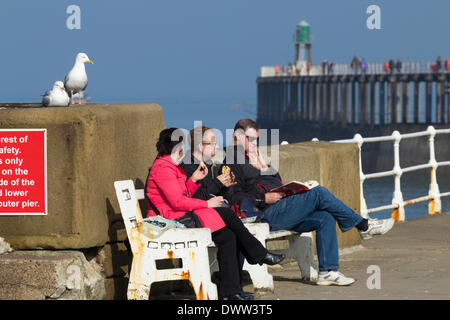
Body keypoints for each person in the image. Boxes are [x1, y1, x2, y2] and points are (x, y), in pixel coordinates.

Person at [221, 119, 395, 286]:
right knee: (319, 193)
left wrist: (264, 168)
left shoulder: (256, 157)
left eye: (256, 140)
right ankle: (363, 225)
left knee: (325, 217)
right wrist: (263, 198)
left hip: (283, 206)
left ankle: (327, 272)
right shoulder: (231, 160)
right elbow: (234, 196)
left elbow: (277, 182)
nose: (254, 143)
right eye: (250, 139)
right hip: (266, 214)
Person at [145, 128, 284, 299]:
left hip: (179, 215)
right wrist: (206, 203)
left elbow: (182, 194)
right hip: (170, 220)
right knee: (225, 214)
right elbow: (177, 202)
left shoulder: (169, 166)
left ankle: (231, 292)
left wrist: (194, 179)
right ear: (178, 147)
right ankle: (259, 254)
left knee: (228, 236)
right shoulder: (163, 168)